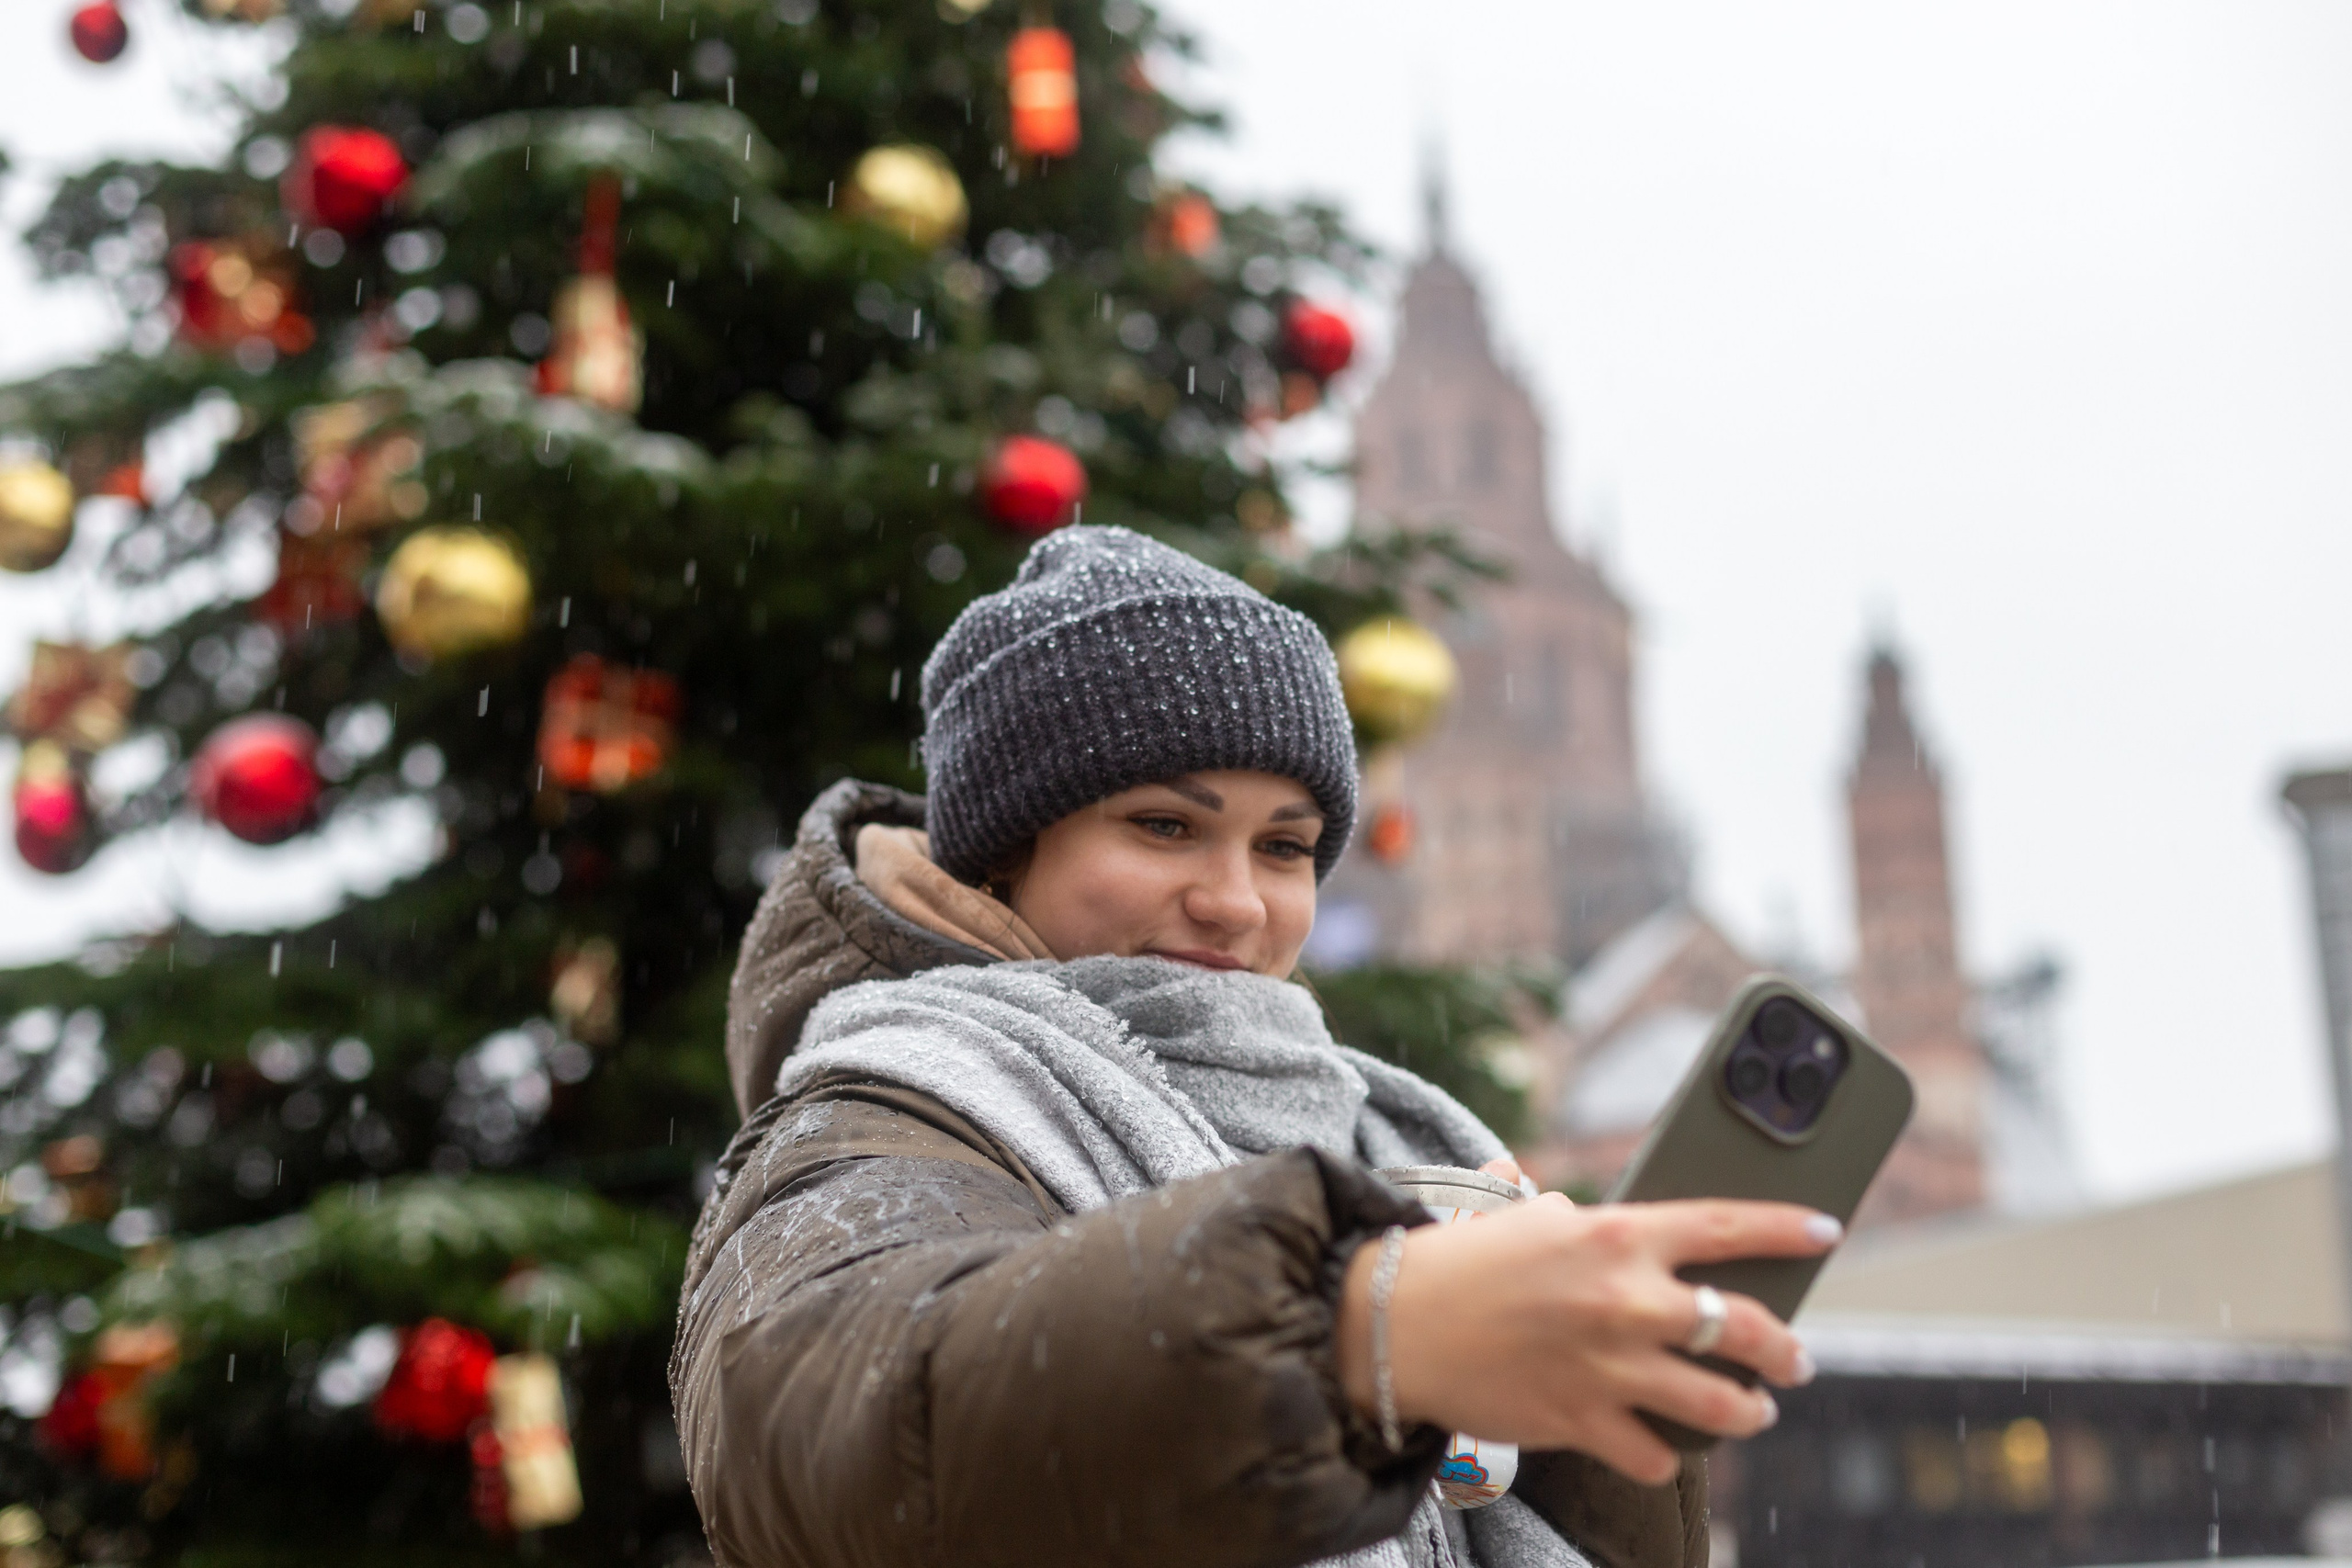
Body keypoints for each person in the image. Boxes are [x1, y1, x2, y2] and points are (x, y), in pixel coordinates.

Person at [670, 526, 1834, 1568]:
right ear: (1002, 851)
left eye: (1284, 847)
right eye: (1165, 826)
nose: (1236, 903)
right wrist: (1354, 1329)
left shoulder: (1389, 1134)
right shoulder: (879, 1113)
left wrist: (1577, 1400)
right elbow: (843, 1422)